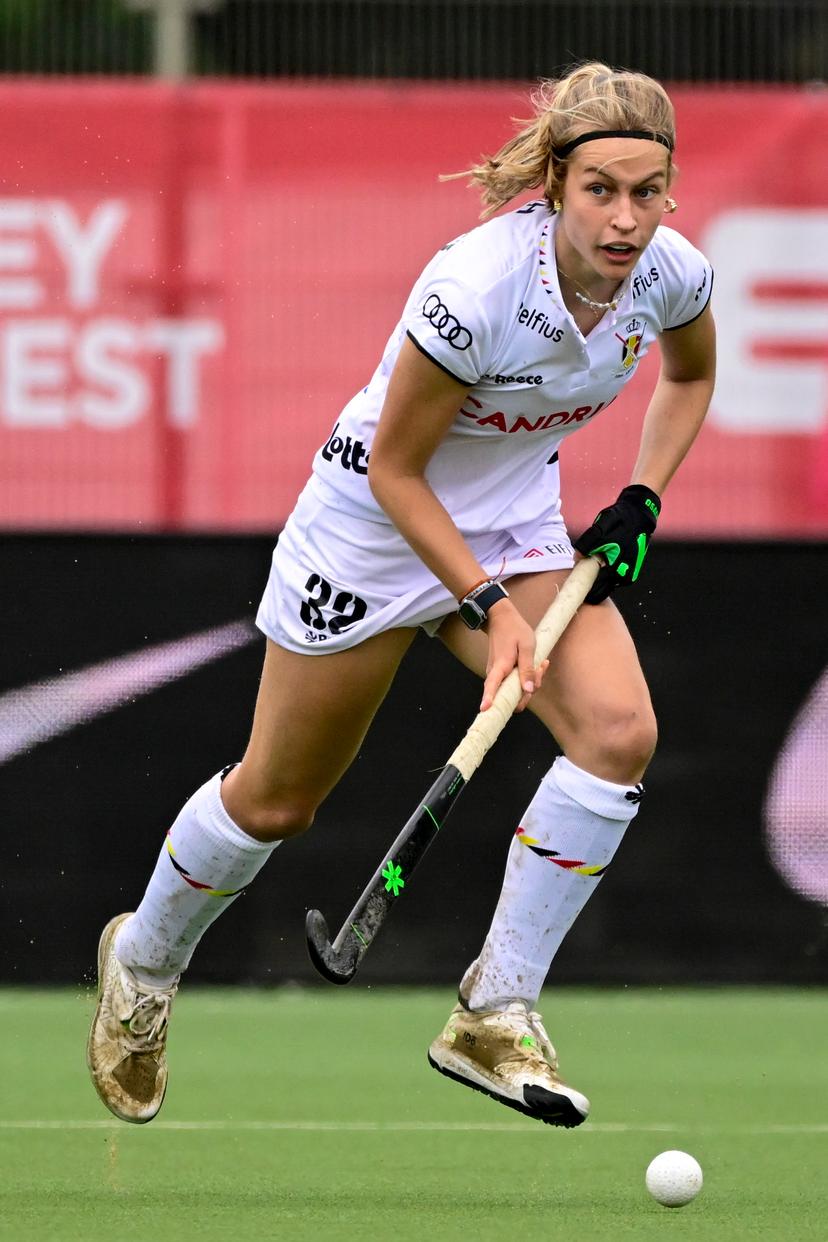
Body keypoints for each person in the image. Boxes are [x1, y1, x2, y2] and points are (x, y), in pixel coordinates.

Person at [87, 61, 716, 1128]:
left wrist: (642, 496)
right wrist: (486, 606)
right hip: (371, 533)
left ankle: (494, 1011)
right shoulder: (475, 290)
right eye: (601, 189)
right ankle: (144, 963)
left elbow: (691, 375)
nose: (625, 218)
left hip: (515, 525)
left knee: (617, 733)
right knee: (277, 800)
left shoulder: (671, 276)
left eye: (648, 192)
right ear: (555, 184)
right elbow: (395, 470)